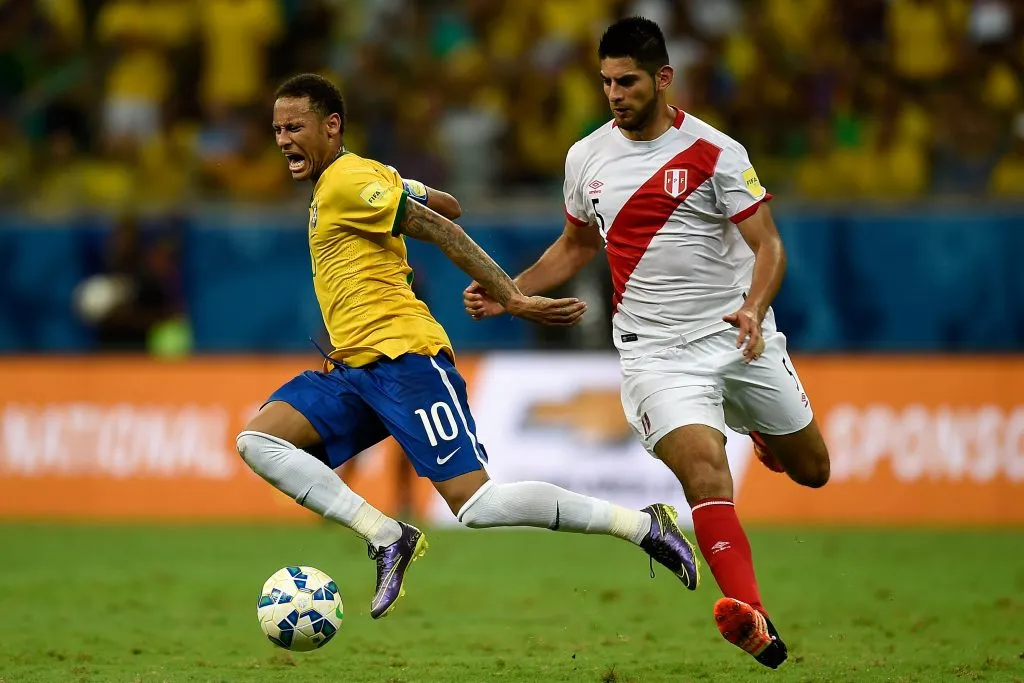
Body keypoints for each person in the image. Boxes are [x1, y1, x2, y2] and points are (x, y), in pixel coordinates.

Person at [235, 73, 700, 621]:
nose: (284, 139)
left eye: (295, 127)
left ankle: (644, 526)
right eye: (277, 130)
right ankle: (387, 536)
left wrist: (516, 297)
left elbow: (444, 229)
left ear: (332, 126)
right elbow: (451, 203)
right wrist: (400, 184)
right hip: (354, 370)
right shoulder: (361, 178)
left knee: (478, 505)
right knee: (258, 440)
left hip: (405, 360)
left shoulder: (345, 180)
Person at [464, 17, 832, 670]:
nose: (613, 93)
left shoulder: (717, 153)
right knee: (704, 471)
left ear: (663, 79)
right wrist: (509, 288)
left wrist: (752, 307)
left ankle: (764, 436)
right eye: (605, 81)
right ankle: (755, 617)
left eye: (626, 81)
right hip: (656, 355)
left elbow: (769, 244)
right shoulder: (586, 158)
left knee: (813, 469)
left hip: (738, 336)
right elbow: (578, 244)